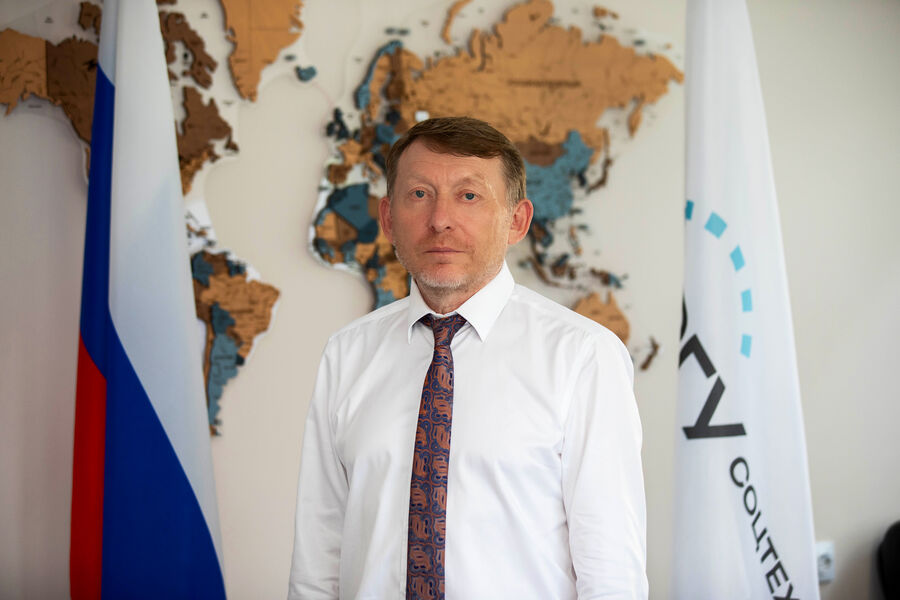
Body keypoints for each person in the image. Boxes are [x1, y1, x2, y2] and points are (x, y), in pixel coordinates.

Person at [288, 116, 647, 599]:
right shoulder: (347, 354)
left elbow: (612, 571)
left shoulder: (583, 356)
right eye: (419, 194)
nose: (440, 219)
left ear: (517, 221)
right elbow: (318, 556)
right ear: (388, 218)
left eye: (469, 195)